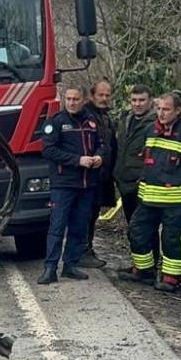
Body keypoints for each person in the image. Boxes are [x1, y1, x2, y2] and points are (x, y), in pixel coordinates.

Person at [121, 93, 181, 291]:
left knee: (170, 239)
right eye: (159, 109)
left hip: (176, 200)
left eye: (166, 109)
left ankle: (172, 278)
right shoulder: (150, 130)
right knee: (136, 231)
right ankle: (144, 270)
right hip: (148, 198)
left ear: (178, 111)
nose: (161, 114)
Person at [38, 87, 109, 285]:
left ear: (83, 99)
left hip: (87, 184)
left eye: (76, 99)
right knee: (57, 226)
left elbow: (103, 144)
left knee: (80, 226)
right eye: (68, 99)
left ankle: (70, 265)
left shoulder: (92, 121)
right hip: (63, 184)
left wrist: (99, 157)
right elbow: (49, 151)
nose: (71, 102)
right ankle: (50, 268)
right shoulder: (56, 122)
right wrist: (78, 160)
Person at [79, 79, 117, 268]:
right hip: (88, 175)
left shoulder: (106, 117)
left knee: (93, 214)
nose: (104, 98)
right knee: (85, 214)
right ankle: (82, 251)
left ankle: (86, 248)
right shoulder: (85, 116)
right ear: (92, 96)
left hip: (103, 175)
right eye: (100, 95)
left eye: (107, 95)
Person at [113, 84, 156, 224]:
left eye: (142, 100)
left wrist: (143, 177)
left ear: (151, 101)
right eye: (134, 100)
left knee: (145, 230)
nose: (137, 104)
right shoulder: (125, 120)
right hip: (125, 185)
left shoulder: (157, 124)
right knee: (132, 227)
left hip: (144, 187)